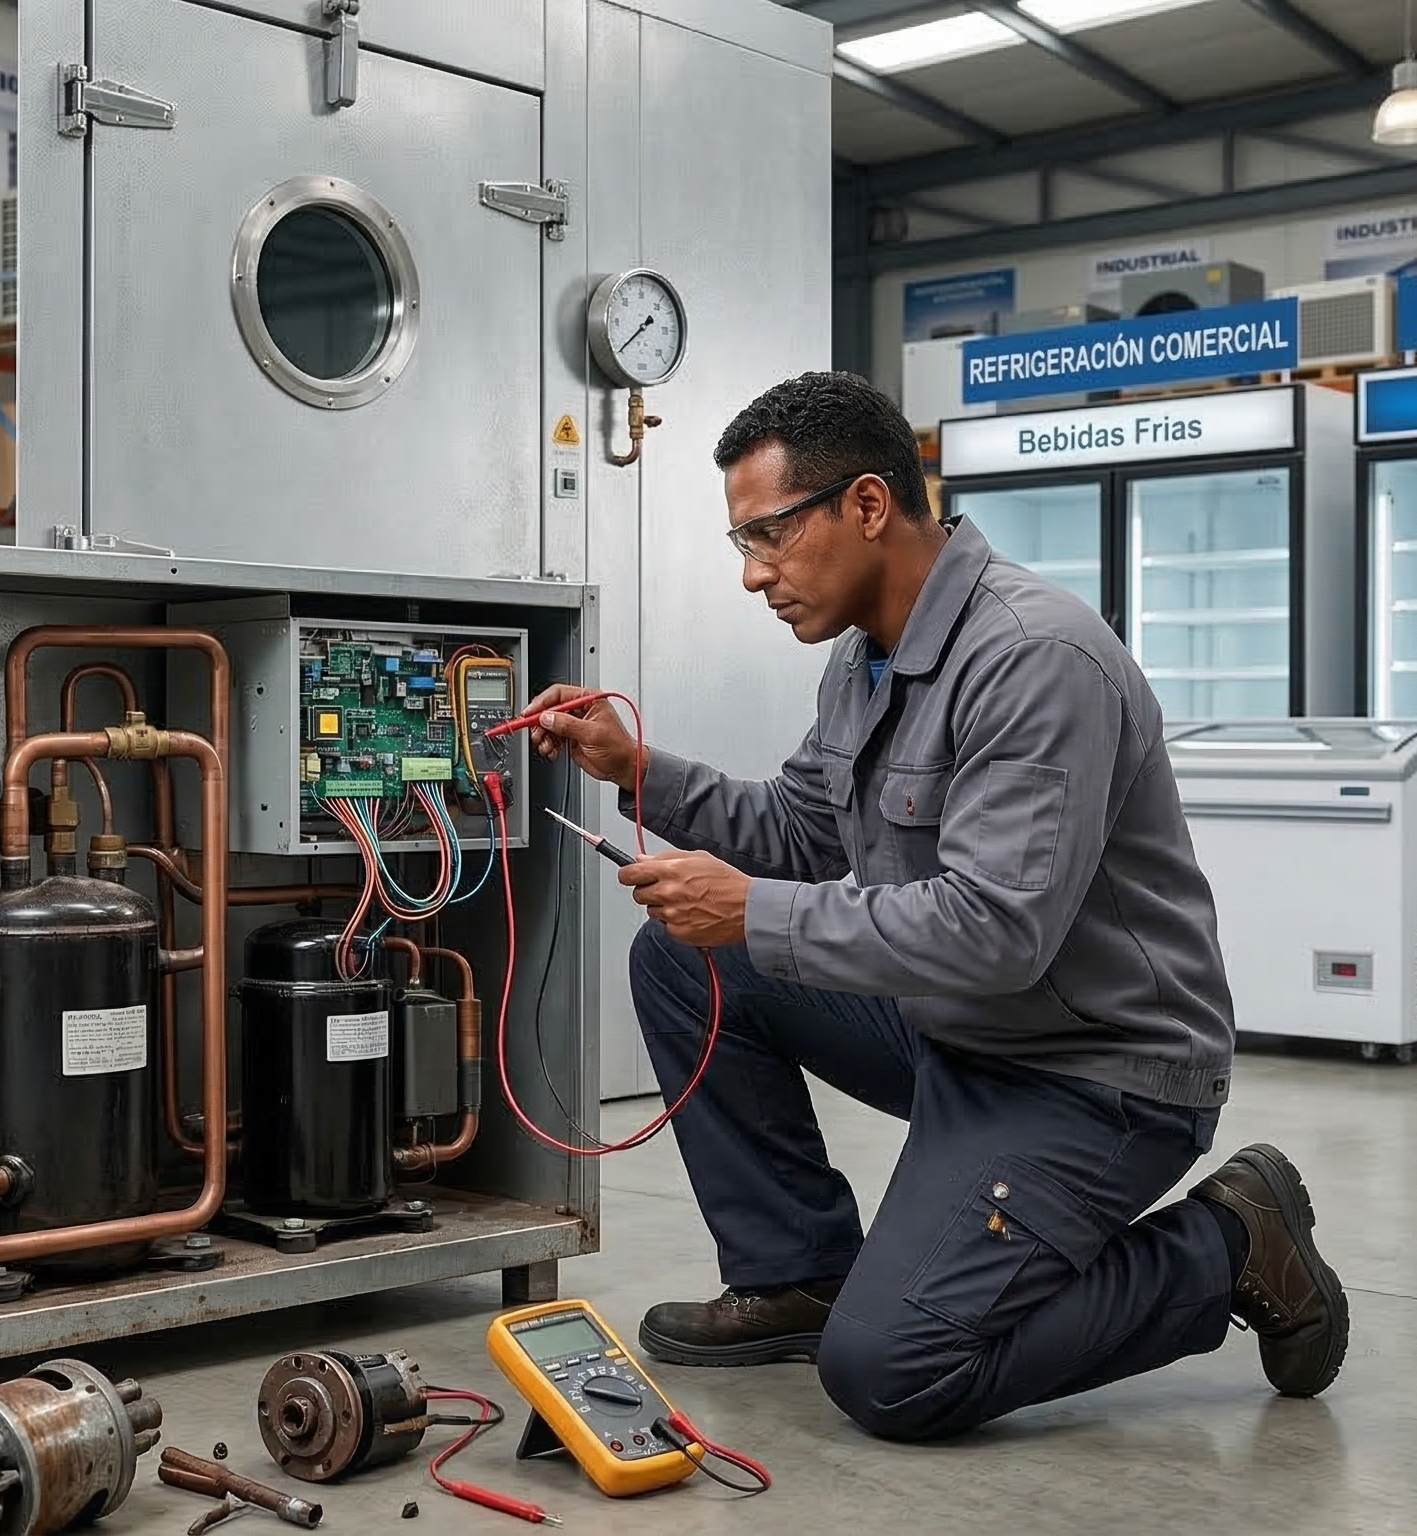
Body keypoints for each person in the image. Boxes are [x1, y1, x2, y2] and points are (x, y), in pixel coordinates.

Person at [516, 371, 1347, 1442]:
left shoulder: (1032, 658)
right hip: (962, 1034)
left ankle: (1231, 1244)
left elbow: (997, 932)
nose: (753, 576)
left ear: (867, 505)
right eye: (741, 547)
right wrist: (633, 769)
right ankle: (796, 1275)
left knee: (895, 1371)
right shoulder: (867, 662)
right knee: (685, 960)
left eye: (767, 536)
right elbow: (804, 835)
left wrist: (754, 912)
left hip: (1095, 1072)